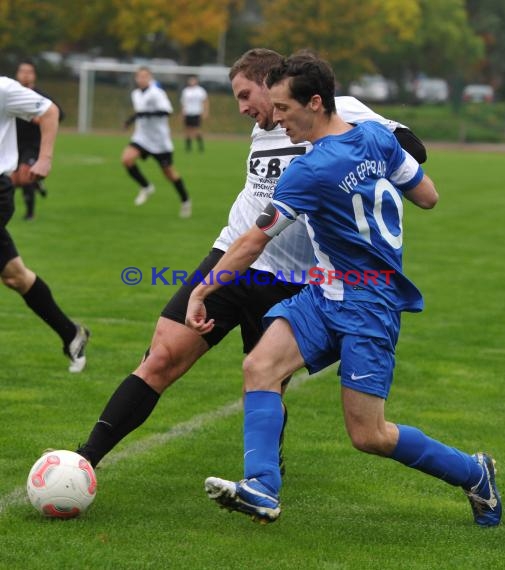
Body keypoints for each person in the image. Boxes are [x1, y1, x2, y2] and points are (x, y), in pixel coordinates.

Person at [74, 49, 426, 476]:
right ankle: (83, 461)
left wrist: (365, 156)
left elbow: (411, 150)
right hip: (234, 255)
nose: (242, 108)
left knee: (267, 379)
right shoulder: (265, 125)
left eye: (246, 96)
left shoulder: (340, 112)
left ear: (271, 84)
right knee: (161, 357)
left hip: (297, 277)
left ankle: (263, 481)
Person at [185, 53, 502, 527]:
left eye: (284, 109)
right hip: (326, 292)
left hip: (368, 305)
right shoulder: (375, 137)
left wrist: (201, 290)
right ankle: (262, 487)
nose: (276, 118)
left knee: (368, 434)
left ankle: (475, 473)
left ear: (315, 103)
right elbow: (428, 196)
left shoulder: (308, 172)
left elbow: (253, 240)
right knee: (260, 365)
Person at [0, 76, 89, 372]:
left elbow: (49, 110)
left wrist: (45, 159)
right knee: (15, 276)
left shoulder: (3, 88)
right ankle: (71, 334)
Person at [122, 67, 192, 217]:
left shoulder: (157, 93)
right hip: (141, 137)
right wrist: (130, 121)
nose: (142, 79)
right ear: (136, 78)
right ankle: (146, 186)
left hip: (160, 141)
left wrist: (144, 113)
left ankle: (185, 200)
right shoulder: (135, 94)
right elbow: (139, 112)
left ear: (150, 78)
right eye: (139, 77)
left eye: (145, 76)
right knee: (127, 159)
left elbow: (167, 111)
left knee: (169, 174)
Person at [10, 60, 65, 221]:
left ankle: (30, 214)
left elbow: (58, 114)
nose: (25, 74)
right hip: (14, 143)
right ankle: (36, 184)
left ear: (34, 75)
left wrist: (38, 118)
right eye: (22, 71)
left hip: (34, 144)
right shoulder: (10, 95)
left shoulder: (40, 96)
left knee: (25, 175)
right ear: (17, 74)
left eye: (29, 71)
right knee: (12, 181)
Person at [180, 76, 209, 153]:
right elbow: (183, 103)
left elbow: (205, 101)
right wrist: (182, 113)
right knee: (188, 130)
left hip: (197, 112)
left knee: (197, 130)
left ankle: (200, 146)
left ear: (196, 81)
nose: (192, 82)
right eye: (190, 80)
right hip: (188, 113)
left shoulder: (200, 91)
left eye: (193, 80)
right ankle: (188, 148)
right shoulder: (186, 91)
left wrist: (205, 111)